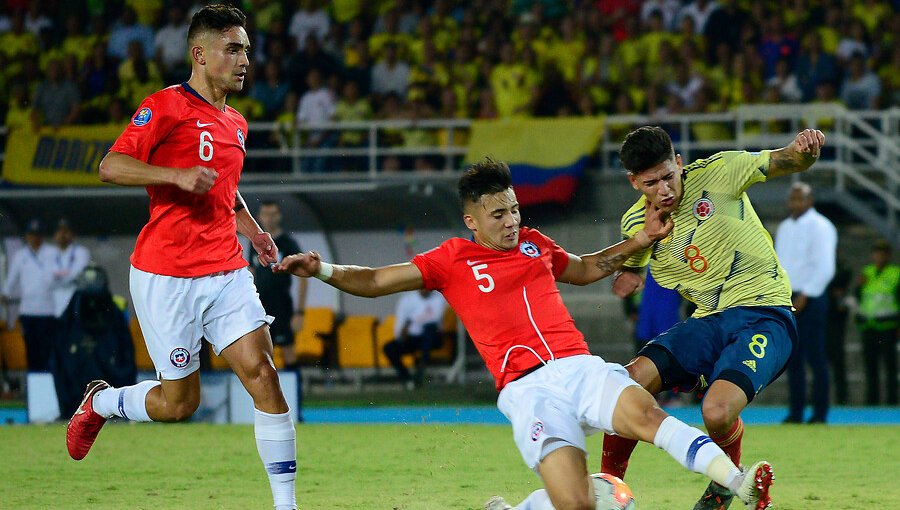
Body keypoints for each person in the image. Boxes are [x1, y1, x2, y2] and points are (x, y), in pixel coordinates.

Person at [274, 158, 775, 510]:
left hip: (580, 367)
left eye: (514, 209)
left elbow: (583, 268)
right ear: (472, 221)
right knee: (576, 503)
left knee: (650, 416)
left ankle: (739, 482)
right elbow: (377, 281)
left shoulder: (534, 243)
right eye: (499, 214)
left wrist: (639, 241)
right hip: (528, 389)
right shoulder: (451, 259)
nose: (513, 221)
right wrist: (323, 271)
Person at [65, 6, 297, 510]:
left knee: (263, 374)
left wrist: (254, 232)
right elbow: (109, 165)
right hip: (165, 274)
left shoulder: (236, 122)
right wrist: (174, 176)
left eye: (247, 51)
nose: (244, 61)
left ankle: (286, 505)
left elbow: (226, 191)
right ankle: (102, 402)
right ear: (199, 53)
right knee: (179, 404)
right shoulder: (166, 107)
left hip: (226, 269)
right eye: (232, 49)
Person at [602, 126, 825, 510]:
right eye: (652, 183)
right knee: (629, 381)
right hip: (707, 321)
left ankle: (725, 481)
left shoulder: (721, 171)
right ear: (634, 182)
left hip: (765, 314)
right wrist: (629, 277)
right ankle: (606, 486)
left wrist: (805, 151)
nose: (665, 190)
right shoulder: (636, 223)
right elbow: (634, 266)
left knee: (716, 412)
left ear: (679, 162)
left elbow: (786, 158)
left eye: (669, 176)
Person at [774, 182, 837, 423]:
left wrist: (806, 294)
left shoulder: (821, 226)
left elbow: (825, 267)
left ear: (810, 201)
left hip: (812, 298)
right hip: (788, 298)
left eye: (800, 199)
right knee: (794, 359)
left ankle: (820, 413)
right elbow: (779, 265)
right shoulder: (785, 227)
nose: (795, 203)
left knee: (816, 358)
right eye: (792, 199)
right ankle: (796, 411)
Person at [249, 200, 307, 419]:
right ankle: (269, 410)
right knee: (261, 359)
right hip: (260, 308)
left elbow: (304, 278)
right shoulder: (255, 242)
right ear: (260, 216)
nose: (269, 218)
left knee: (289, 354)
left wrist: (300, 312)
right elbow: (252, 273)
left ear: (278, 216)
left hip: (282, 307)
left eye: (273, 214)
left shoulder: (288, 243)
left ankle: (297, 409)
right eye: (265, 214)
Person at [1, 219, 58, 371]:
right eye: (32, 235)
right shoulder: (21, 255)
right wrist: (5, 293)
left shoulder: (51, 252)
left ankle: (47, 384)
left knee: (47, 350)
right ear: (27, 236)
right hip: (28, 311)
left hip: (47, 310)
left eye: (38, 234)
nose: (35, 238)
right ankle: (33, 384)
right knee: (31, 350)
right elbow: (11, 278)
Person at [855, 240, 899, 405]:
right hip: (869, 326)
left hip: (888, 326)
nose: (878, 256)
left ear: (887, 255)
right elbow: (861, 296)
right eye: (876, 253)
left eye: (882, 253)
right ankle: (872, 402)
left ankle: (892, 402)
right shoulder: (867, 272)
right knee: (870, 366)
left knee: (890, 367)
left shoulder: (895, 273)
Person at [383, 288, 447, 389]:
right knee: (389, 348)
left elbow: (434, 318)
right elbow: (400, 323)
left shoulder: (439, 298)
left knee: (429, 329)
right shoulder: (407, 300)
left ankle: (422, 367)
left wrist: (411, 321)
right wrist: (401, 335)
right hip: (414, 338)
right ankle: (408, 379)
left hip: (432, 337)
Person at [50, 219, 92, 319]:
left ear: (72, 235)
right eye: (59, 231)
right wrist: (65, 276)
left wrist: (58, 278)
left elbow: (78, 274)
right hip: (54, 305)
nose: (62, 235)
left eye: (66, 231)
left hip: (75, 304)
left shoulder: (81, 252)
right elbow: (46, 278)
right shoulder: (48, 254)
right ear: (54, 235)